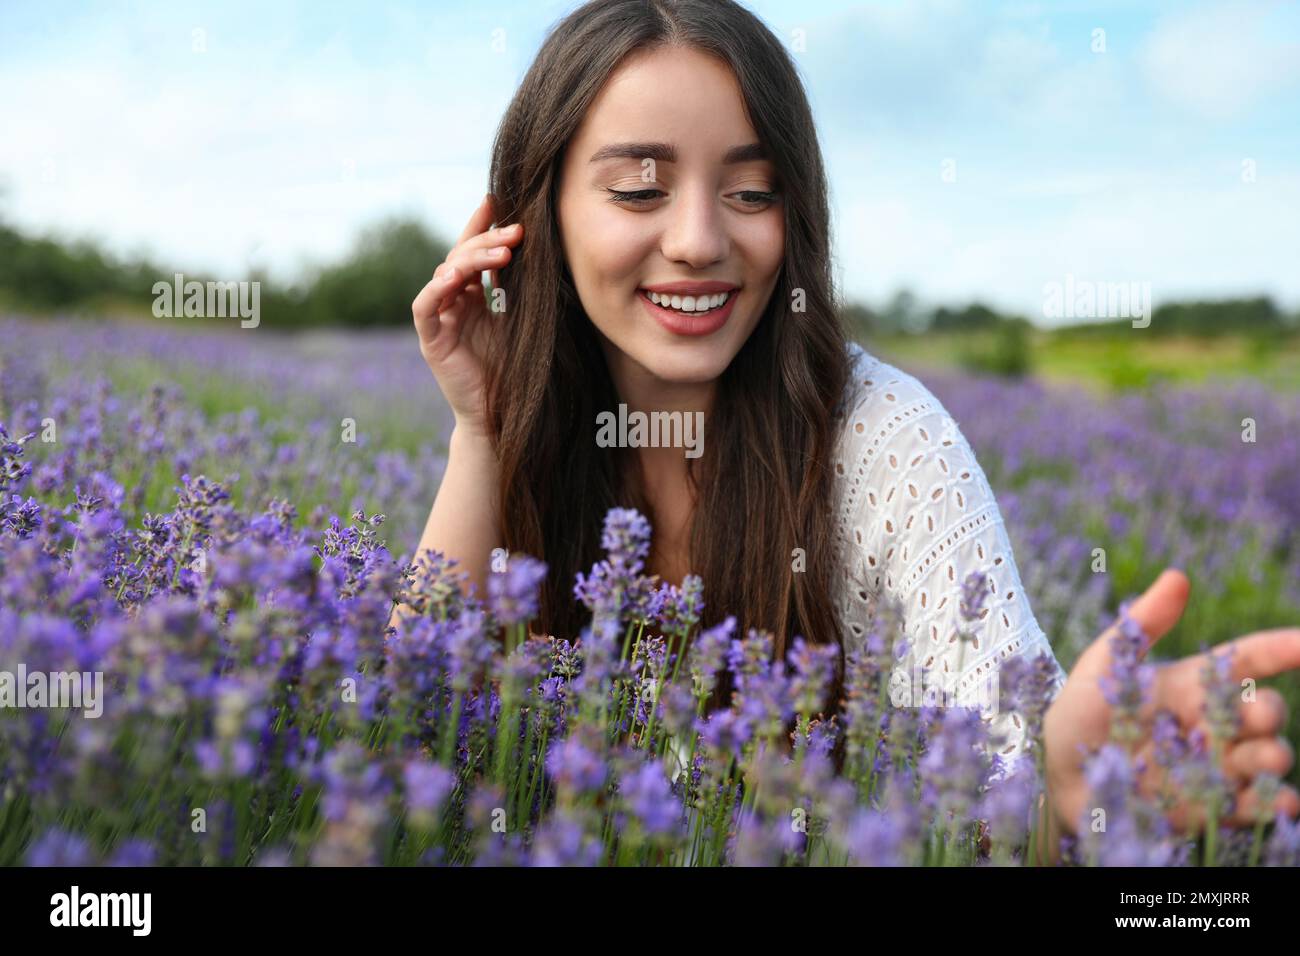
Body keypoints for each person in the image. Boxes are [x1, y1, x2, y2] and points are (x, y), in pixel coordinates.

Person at [395, 0, 1300, 862]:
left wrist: (1058, 796)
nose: (700, 238)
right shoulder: (536, 440)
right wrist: (483, 431)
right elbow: (406, 742)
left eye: (753, 191)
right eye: (639, 189)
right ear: (533, 212)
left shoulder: (886, 444)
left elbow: (998, 760)